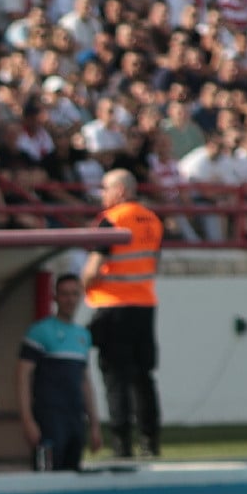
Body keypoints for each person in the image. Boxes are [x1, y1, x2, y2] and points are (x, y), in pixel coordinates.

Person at [81, 169, 164, 458]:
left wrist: (82, 285)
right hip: (144, 305)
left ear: (118, 191)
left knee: (115, 378)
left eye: (104, 189)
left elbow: (92, 269)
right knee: (143, 377)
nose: (102, 195)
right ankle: (150, 442)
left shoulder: (112, 219)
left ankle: (121, 445)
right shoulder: (152, 219)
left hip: (112, 307)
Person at [16, 274, 102, 471]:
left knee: (73, 473)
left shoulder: (83, 335)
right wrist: (28, 420)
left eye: (74, 294)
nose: (70, 299)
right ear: (55, 297)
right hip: (49, 417)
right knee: (47, 475)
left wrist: (95, 425)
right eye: (64, 294)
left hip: (75, 417)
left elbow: (85, 381)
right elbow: (22, 377)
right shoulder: (39, 332)